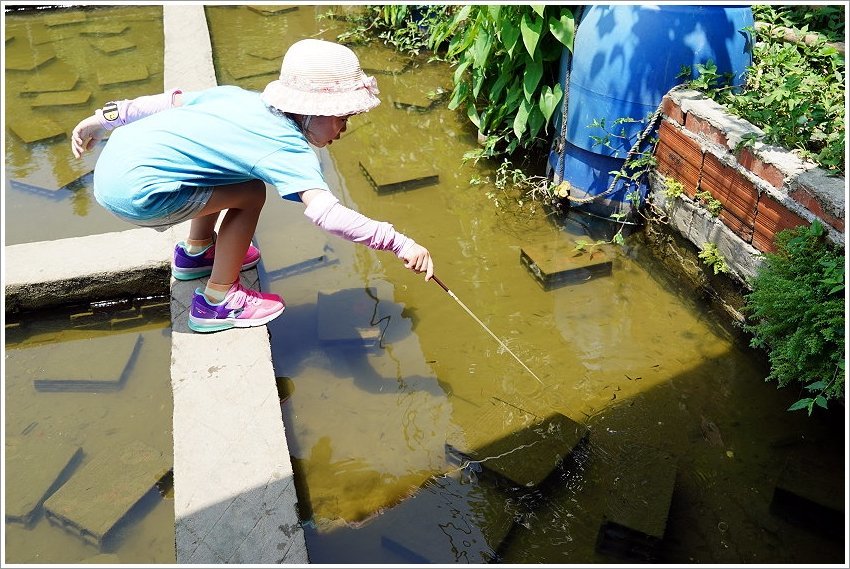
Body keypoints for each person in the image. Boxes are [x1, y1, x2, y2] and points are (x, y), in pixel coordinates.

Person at [71, 38, 434, 333]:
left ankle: (197, 252)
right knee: (251, 193)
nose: (344, 129)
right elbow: (327, 215)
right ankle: (218, 300)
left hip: (113, 169)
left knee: (235, 173)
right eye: (342, 118)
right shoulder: (288, 148)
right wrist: (398, 242)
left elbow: (167, 102)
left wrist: (102, 120)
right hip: (139, 197)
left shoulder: (238, 98)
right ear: (315, 109)